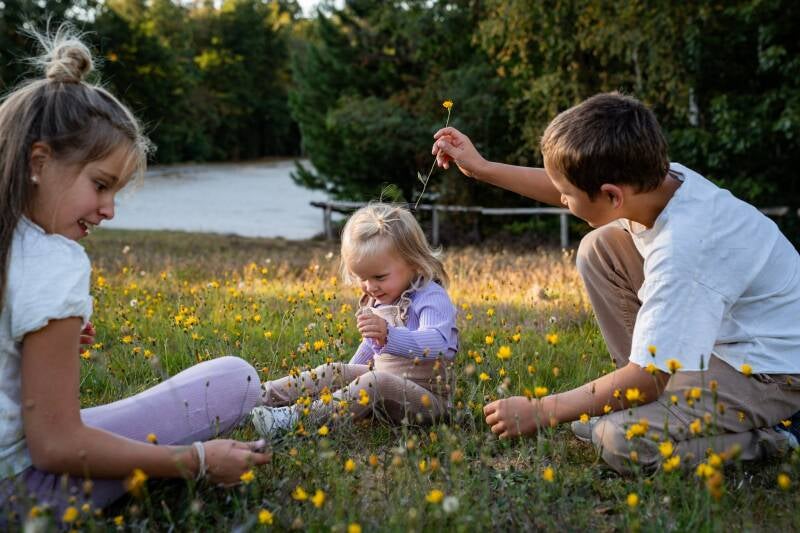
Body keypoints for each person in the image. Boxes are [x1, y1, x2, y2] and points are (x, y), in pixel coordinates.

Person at [431, 92, 800, 474]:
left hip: (770, 371)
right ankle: (637, 396)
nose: (562, 199)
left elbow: (647, 377)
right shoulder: (657, 181)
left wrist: (542, 410)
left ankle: (776, 437)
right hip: (728, 338)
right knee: (600, 247)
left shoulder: (682, 251)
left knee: (621, 441)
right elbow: (572, 186)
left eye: (567, 195)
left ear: (612, 195)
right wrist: (483, 168)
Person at [0, 27, 269, 520]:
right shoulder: (53, 262)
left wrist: (32, 353)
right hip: (22, 494)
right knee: (235, 380)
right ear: (39, 161)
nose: (108, 211)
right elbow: (56, 446)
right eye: (100, 185)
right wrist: (196, 460)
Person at [251, 203, 458, 437]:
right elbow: (371, 346)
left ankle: (294, 420)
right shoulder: (382, 298)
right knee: (336, 371)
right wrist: (346, 378)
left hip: (427, 401)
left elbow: (439, 345)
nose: (370, 287)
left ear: (414, 262)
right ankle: (256, 399)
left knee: (376, 382)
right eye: (362, 278)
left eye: (379, 276)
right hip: (384, 387)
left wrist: (389, 335)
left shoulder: (430, 297)